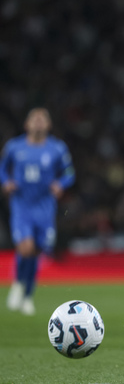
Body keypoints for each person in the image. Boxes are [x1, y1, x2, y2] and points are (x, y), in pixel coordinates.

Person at [1, 108, 75, 315]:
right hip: (21, 204)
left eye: (43, 119)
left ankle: (27, 296)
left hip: (45, 206)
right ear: (27, 124)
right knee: (25, 247)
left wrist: (60, 184)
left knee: (36, 251)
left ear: (49, 125)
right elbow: (2, 168)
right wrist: (6, 182)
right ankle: (17, 284)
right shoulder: (14, 147)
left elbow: (69, 173)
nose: (39, 122)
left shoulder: (57, 148)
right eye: (35, 119)